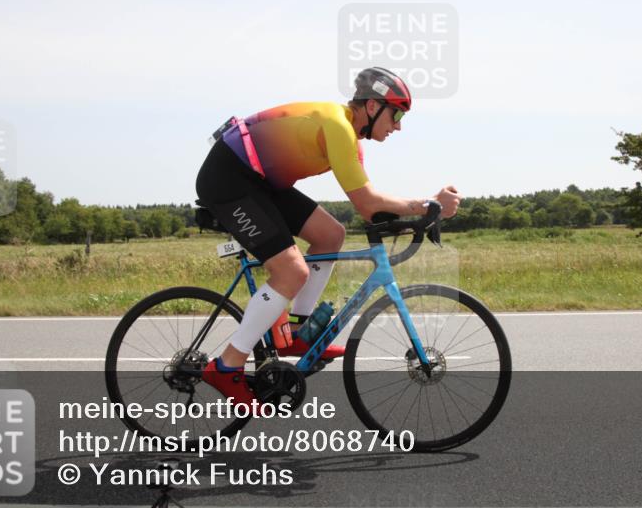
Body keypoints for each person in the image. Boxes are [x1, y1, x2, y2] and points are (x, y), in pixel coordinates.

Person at [195, 67, 460, 408]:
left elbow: (370, 211)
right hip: (229, 179)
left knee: (330, 235)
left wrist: (420, 215)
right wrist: (427, 204)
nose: (398, 126)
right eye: (396, 114)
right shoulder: (337, 126)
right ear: (372, 106)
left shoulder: (350, 140)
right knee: (291, 271)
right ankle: (226, 365)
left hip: (259, 182)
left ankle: (297, 333)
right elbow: (368, 202)